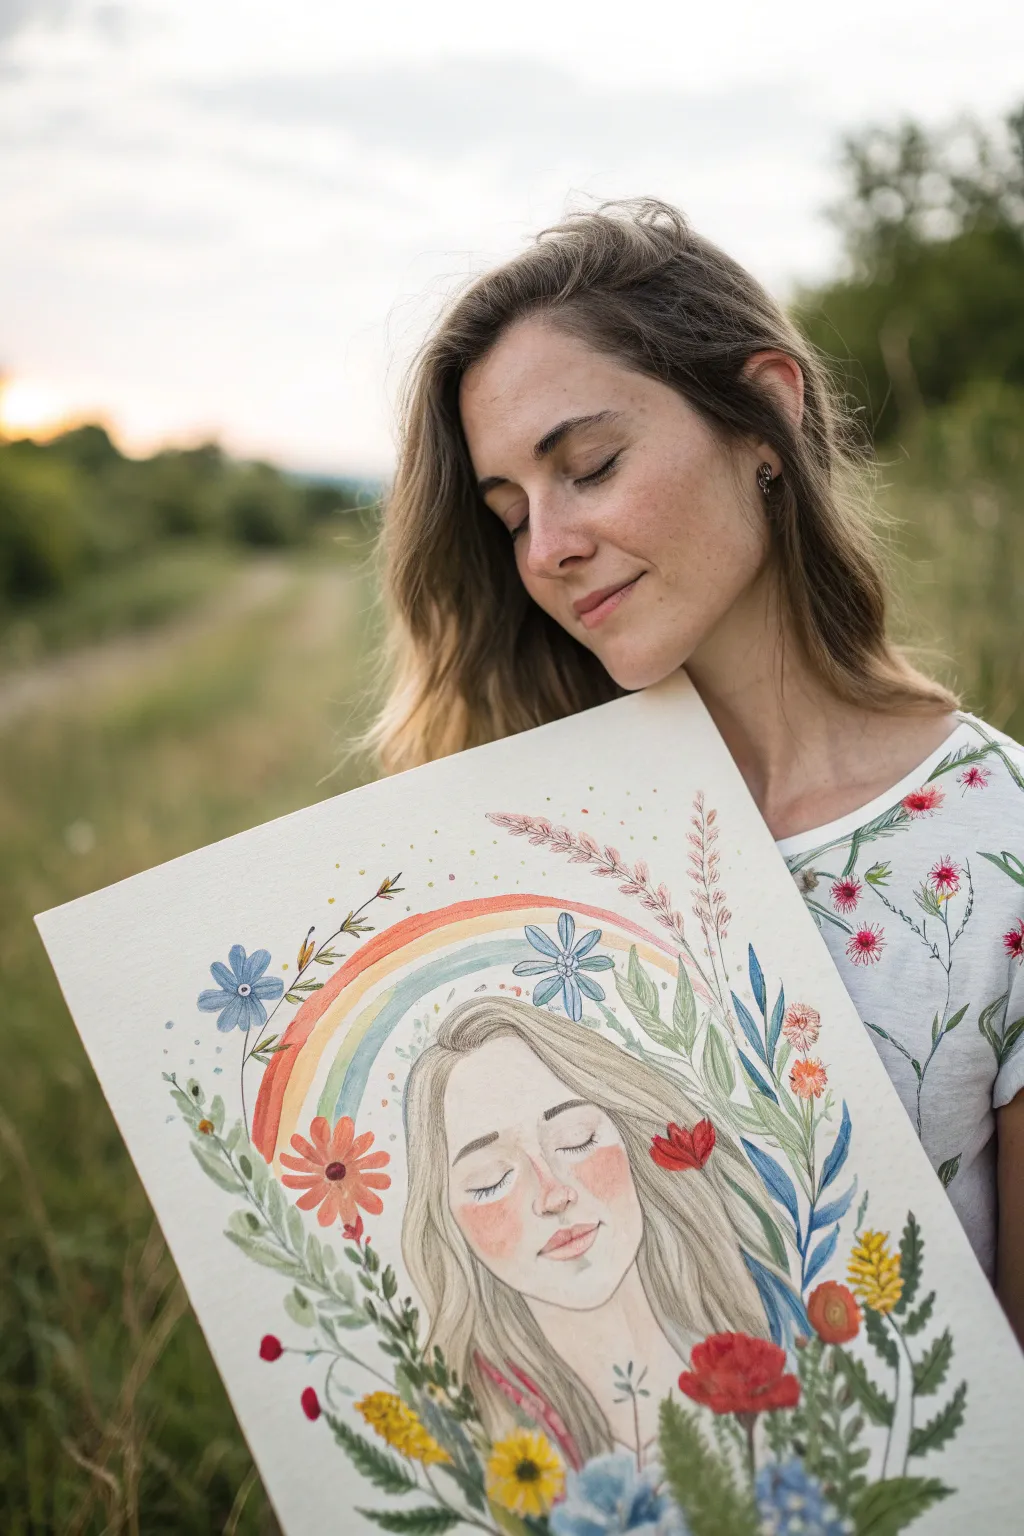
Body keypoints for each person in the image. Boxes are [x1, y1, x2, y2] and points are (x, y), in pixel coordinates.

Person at [369, 198, 1024, 1343]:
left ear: (764, 415)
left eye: (589, 466)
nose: (547, 549)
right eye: (509, 514)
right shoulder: (516, 858)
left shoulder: (997, 844)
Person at [402, 996, 772, 1463]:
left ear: (630, 1138)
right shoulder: (468, 1437)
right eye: (490, 1181)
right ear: (447, 1222)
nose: (553, 1193)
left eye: (577, 1139)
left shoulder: (773, 1330)